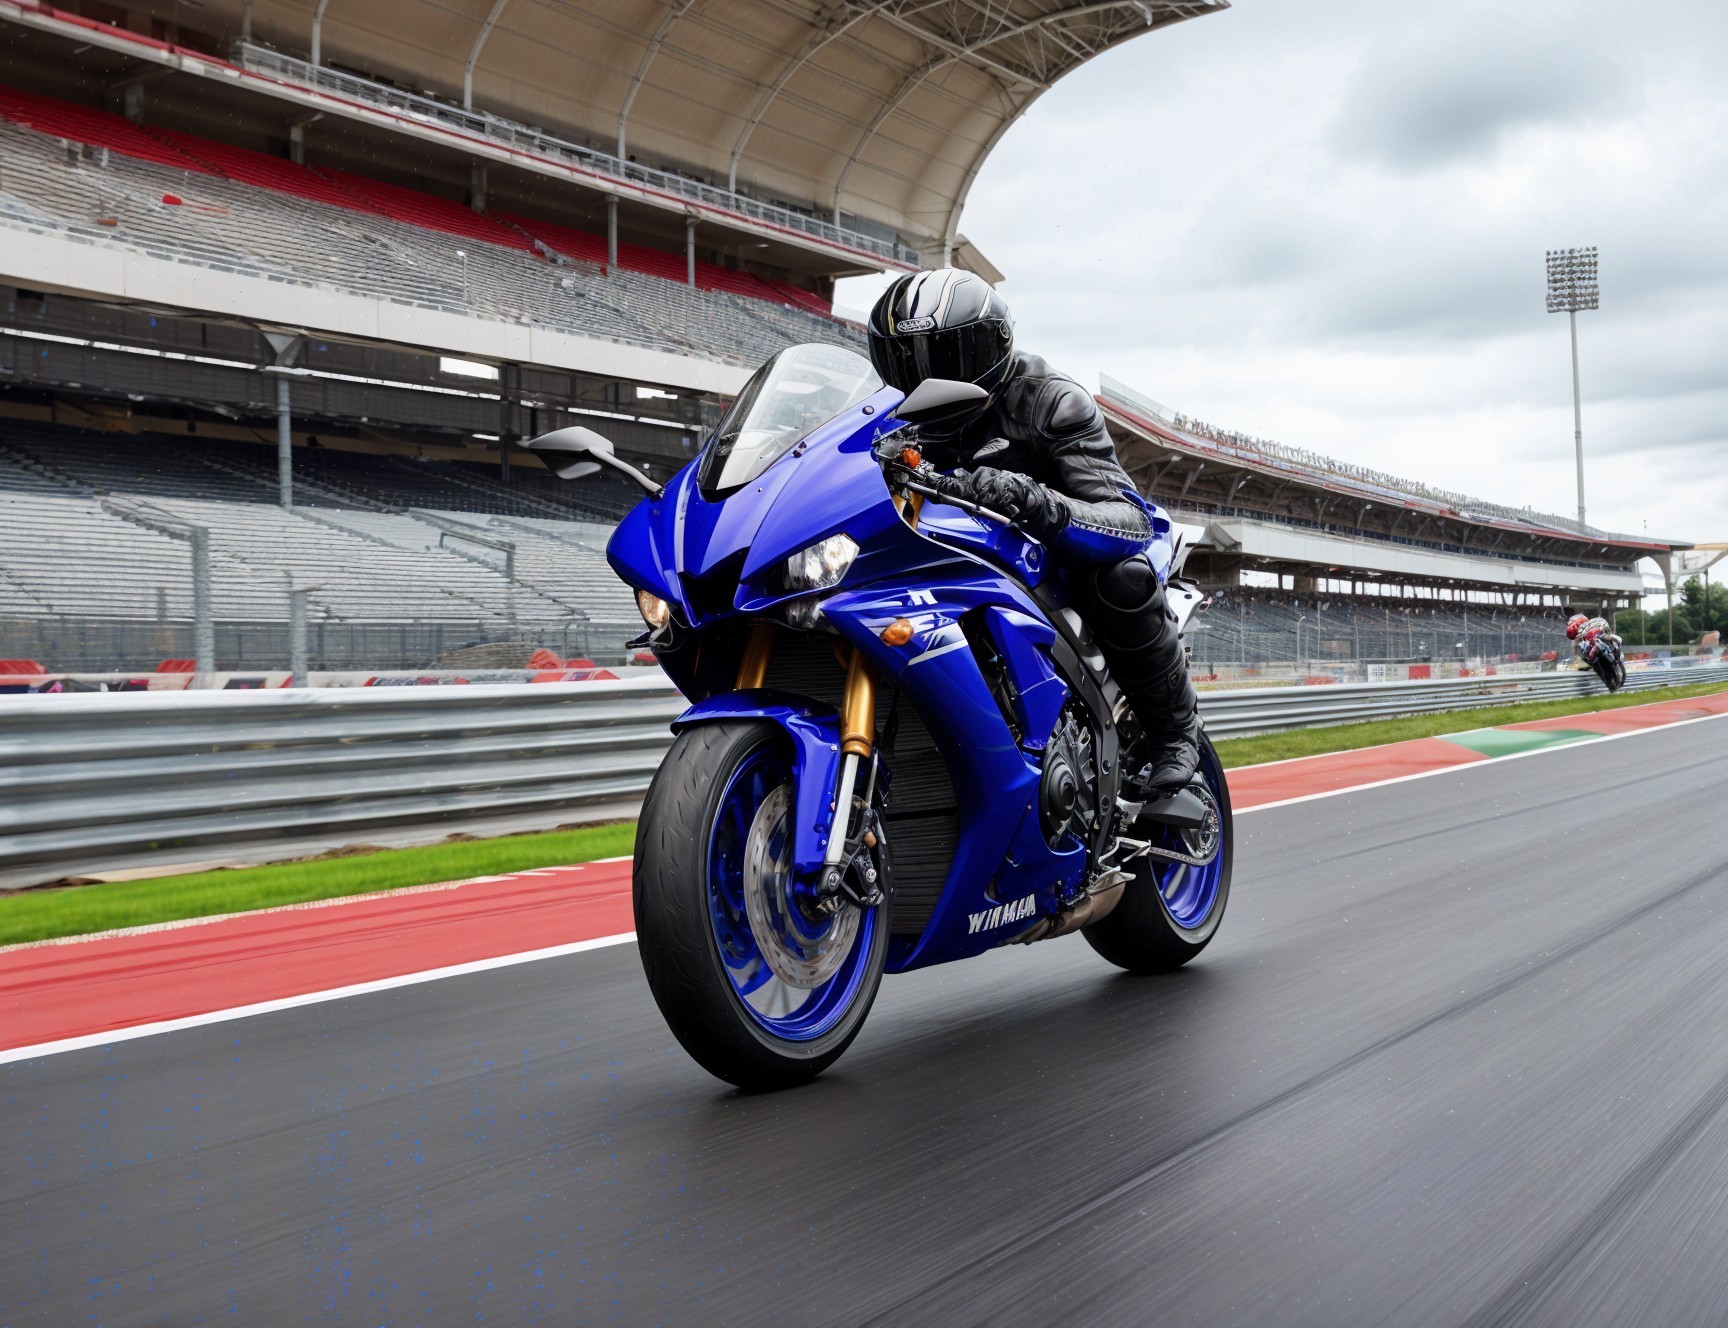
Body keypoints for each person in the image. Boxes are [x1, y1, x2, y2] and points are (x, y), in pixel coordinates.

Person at [866, 268, 1200, 791]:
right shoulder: (891, 420)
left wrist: (1033, 500)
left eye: (946, 355)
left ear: (992, 342)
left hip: (1058, 560)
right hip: (957, 556)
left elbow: (1129, 520)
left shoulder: (1051, 401)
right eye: (908, 359)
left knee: (1121, 578)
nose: (927, 377)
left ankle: (1175, 734)